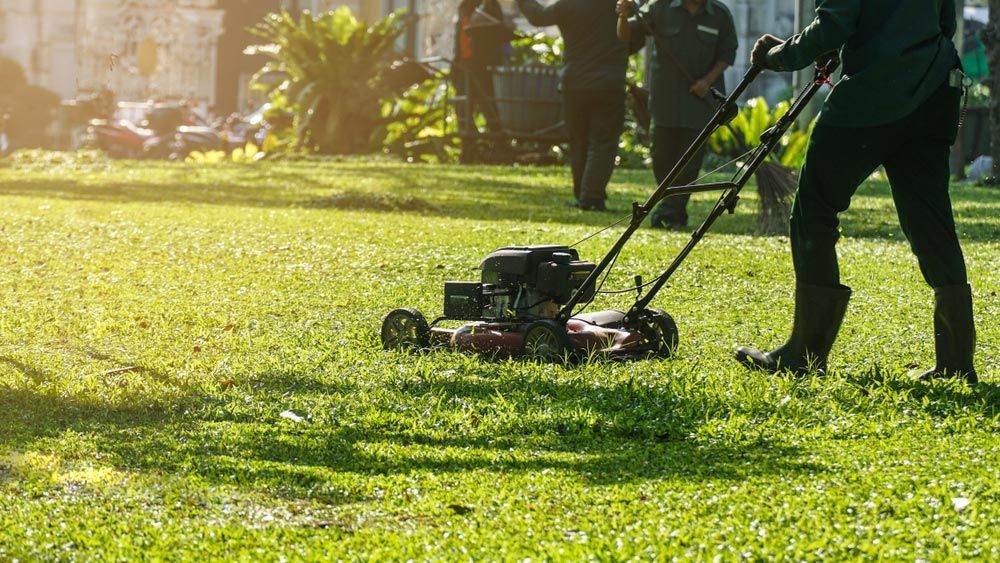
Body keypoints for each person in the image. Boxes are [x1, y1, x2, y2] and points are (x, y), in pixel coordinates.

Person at [734, 0, 977, 383]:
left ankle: (805, 353)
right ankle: (956, 362)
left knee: (814, 209)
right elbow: (945, 22)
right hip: (934, 90)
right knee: (930, 220)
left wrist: (775, 55)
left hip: (872, 95)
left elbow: (832, 26)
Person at [616, 0, 737, 229]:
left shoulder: (720, 14)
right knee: (661, 157)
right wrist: (623, 16)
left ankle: (670, 213)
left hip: (699, 102)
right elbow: (627, 37)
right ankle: (673, 211)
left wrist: (707, 81)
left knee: (689, 162)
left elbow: (727, 53)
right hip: (665, 100)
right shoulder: (658, 7)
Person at [516, 0, 630, 211]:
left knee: (579, 142)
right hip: (609, 82)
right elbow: (635, 38)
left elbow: (538, 16)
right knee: (603, 141)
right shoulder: (619, 6)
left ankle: (583, 195)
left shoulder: (568, 5)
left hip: (575, 83)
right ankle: (592, 197)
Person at [453, 0, 510, 146]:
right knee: (463, 108)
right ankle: (469, 148)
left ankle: (500, 146)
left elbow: (497, 35)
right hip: (464, 65)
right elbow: (459, 37)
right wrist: (456, 62)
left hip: (482, 65)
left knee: (488, 105)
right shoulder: (464, 7)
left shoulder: (489, 5)